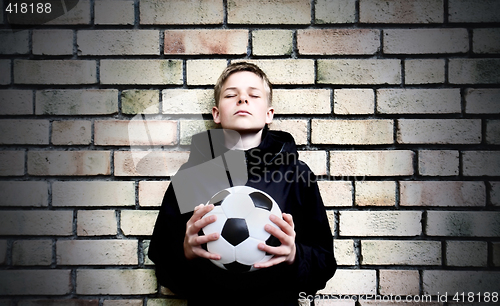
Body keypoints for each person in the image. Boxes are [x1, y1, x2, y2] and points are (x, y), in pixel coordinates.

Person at [148, 62, 336, 306]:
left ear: (269, 114)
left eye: (254, 94)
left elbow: (324, 264)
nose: (242, 100)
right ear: (216, 113)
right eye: (231, 95)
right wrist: (185, 253)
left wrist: (295, 256)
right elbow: (163, 267)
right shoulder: (190, 177)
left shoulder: (297, 175)